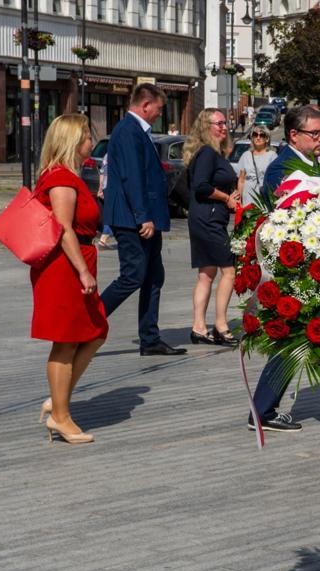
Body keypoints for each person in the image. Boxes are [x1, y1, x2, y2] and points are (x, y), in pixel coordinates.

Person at [246, 105, 320, 435]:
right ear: (294, 135)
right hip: (300, 271)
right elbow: (287, 219)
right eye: (315, 133)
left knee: (295, 342)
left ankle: (261, 410)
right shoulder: (282, 168)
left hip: (315, 267)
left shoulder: (315, 163)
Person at [31, 114, 109, 444]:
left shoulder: (68, 175)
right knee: (66, 340)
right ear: (74, 141)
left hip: (75, 261)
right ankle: (60, 417)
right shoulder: (61, 178)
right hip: (65, 267)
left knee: (95, 331)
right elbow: (63, 229)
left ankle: (58, 401)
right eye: (88, 137)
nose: (92, 142)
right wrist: (83, 270)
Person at [99, 82, 185, 356]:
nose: (160, 113)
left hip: (143, 217)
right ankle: (87, 321)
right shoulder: (128, 130)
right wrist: (143, 216)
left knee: (153, 276)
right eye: (158, 108)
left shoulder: (137, 130)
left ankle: (150, 339)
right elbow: (132, 177)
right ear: (145, 105)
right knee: (133, 275)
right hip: (131, 218)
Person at [184, 108, 240, 346]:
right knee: (229, 270)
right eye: (219, 124)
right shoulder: (207, 152)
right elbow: (201, 186)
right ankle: (220, 325)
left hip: (206, 217)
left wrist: (232, 194)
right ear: (206, 127)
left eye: (225, 123)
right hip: (208, 218)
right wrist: (227, 198)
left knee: (206, 273)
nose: (224, 127)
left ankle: (198, 327)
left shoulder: (213, 153)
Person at [235, 126, 278, 205]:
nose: (258, 138)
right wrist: (239, 199)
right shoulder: (246, 155)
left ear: (267, 139)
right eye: (255, 135)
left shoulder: (272, 155)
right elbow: (241, 180)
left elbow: (275, 179)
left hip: (264, 197)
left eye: (262, 135)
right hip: (247, 197)